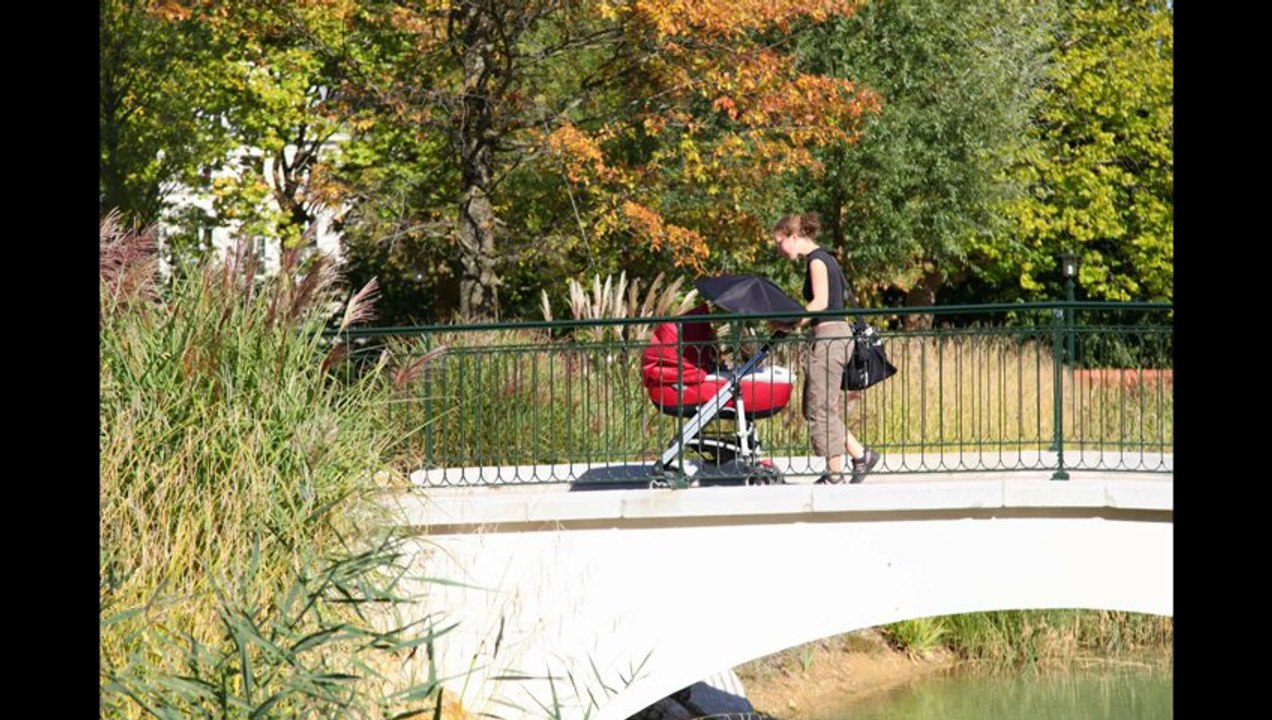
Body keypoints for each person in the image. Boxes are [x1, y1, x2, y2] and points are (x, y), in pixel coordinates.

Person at [771, 212, 880, 483]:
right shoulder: (823, 258)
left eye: (779, 241)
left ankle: (834, 474)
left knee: (821, 408)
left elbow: (820, 303)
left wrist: (791, 322)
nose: (779, 249)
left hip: (830, 338)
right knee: (815, 408)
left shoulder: (818, 261)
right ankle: (861, 455)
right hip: (830, 337)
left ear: (794, 237)